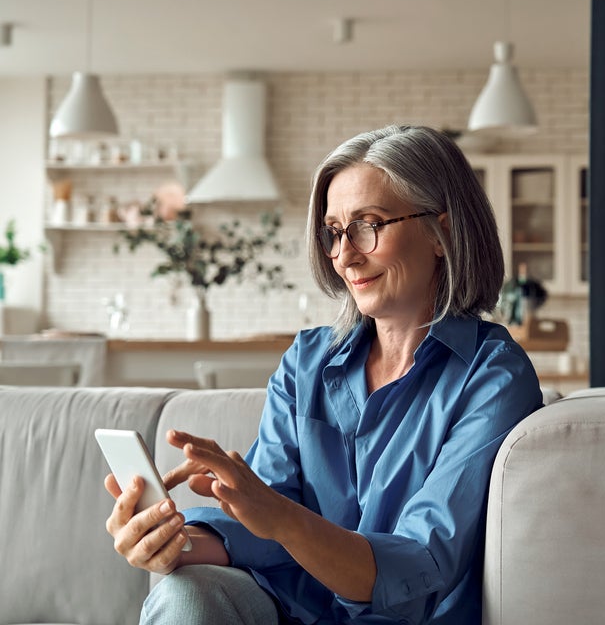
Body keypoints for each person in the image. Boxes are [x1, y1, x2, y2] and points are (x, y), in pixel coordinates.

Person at [104, 125, 542, 625]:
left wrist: (279, 518)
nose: (344, 255)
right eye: (334, 231)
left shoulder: (492, 377)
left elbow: (420, 567)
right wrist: (171, 542)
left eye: (368, 224)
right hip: (289, 611)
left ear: (441, 233)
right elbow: (262, 525)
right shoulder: (307, 361)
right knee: (184, 592)